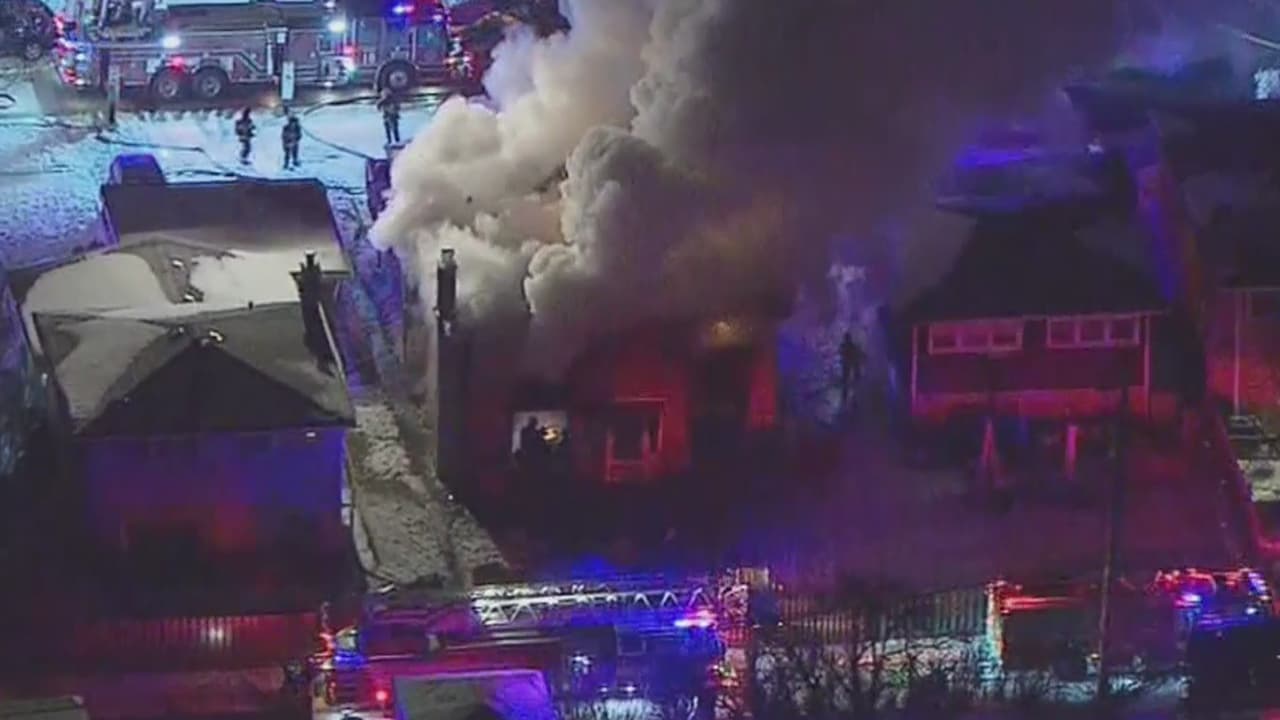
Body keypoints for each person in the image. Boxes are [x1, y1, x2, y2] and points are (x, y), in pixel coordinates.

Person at [839, 331, 865, 408]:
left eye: (846, 338)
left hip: (849, 365)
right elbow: (841, 352)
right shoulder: (849, 346)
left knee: (848, 381)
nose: (846, 340)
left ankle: (849, 397)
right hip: (849, 365)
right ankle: (849, 397)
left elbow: (841, 352)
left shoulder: (846, 345)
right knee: (849, 381)